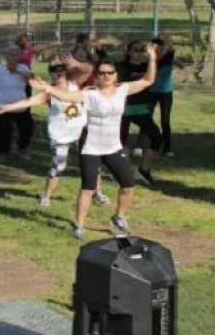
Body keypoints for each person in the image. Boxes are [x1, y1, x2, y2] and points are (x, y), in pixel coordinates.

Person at [29, 42, 157, 240]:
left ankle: (119, 216)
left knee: (128, 186)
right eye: (102, 73)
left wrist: (152, 57)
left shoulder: (123, 90)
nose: (106, 76)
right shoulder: (90, 94)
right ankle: (79, 224)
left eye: (110, 73)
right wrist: (47, 87)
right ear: (97, 76)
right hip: (91, 148)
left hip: (113, 147)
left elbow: (148, 80)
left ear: (116, 75)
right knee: (88, 189)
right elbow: (66, 95)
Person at [0, 61, 89, 207]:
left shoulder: (75, 84)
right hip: (60, 135)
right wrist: (6, 108)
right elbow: (29, 102)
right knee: (58, 167)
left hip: (80, 131)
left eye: (62, 70)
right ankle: (46, 195)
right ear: (51, 75)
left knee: (91, 163)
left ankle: (96, 193)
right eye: (55, 71)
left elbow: (87, 70)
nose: (59, 73)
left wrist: (75, 61)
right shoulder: (48, 93)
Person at [117, 40, 161, 186]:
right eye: (135, 50)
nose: (139, 53)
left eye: (141, 50)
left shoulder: (146, 66)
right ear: (128, 52)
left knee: (157, 137)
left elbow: (158, 66)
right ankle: (121, 172)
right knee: (120, 143)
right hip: (123, 109)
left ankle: (144, 169)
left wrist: (153, 54)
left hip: (141, 109)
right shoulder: (121, 67)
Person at [0, 47, 35, 158]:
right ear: (6, 57)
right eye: (11, 54)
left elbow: (30, 78)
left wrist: (16, 71)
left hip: (20, 105)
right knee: (3, 130)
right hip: (2, 104)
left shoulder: (23, 67)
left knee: (28, 127)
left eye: (15, 55)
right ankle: (3, 152)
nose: (13, 57)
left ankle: (21, 148)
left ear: (19, 56)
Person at [148, 37, 175, 157]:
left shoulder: (167, 56)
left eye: (156, 47)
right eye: (153, 46)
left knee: (165, 120)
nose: (154, 49)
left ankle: (167, 148)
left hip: (166, 92)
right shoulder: (149, 59)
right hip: (151, 92)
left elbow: (170, 47)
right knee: (146, 119)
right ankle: (141, 145)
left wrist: (165, 44)